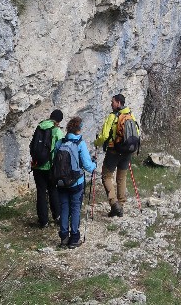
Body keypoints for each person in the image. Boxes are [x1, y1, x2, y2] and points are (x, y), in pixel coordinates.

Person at [54, 116, 97, 248]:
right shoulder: (80, 144)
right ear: (78, 129)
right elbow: (88, 166)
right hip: (76, 182)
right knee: (75, 208)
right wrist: (94, 164)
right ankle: (74, 238)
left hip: (61, 181)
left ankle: (63, 238)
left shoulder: (60, 143)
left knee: (64, 208)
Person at [94, 92, 139, 217]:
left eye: (112, 102)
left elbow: (103, 136)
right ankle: (121, 205)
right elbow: (137, 132)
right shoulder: (131, 115)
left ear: (118, 103)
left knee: (106, 176)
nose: (111, 104)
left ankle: (114, 204)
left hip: (114, 151)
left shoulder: (112, 117)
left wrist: (96, 142)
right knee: (121, 177)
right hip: (127, 152)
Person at [29, 109, 64, 228]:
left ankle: (43, 221)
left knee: (41, 192)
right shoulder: (57, 131)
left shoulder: (40, 127)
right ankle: (57, 216)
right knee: (53, 190)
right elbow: (61, 151)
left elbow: (32, 145)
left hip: (37, 165)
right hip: (50, 166)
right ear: (59, 121)